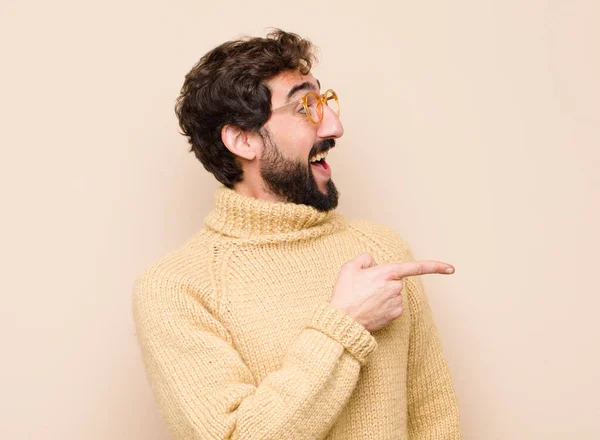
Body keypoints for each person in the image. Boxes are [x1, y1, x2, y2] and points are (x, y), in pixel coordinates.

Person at [132, 29, 462, 439]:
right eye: (306, 106)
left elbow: (434, 417)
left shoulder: (381, 250)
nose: (336, 126)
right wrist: (344, 325)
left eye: (325, 101)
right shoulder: (177, 288)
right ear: (242, 139)